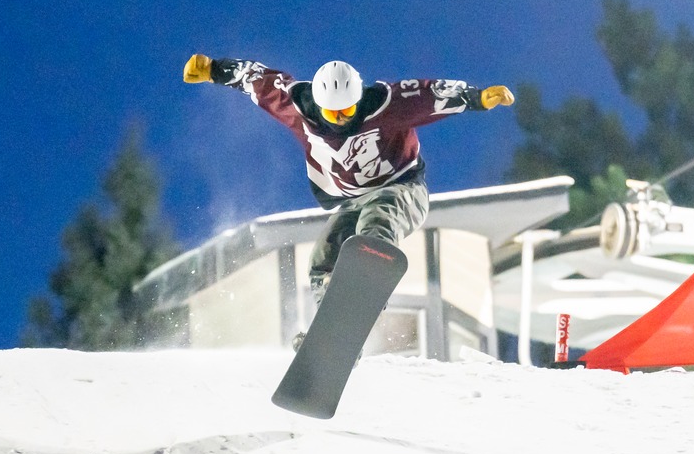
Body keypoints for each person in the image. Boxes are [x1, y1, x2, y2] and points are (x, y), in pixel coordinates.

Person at [182, 54, 513, 296]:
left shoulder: (388, 104)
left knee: (378, 217)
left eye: (348, 110)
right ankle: (333, 324)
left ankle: (369, 275)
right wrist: (213, 69)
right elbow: (257, 79)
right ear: (319, 104)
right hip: (353, 201)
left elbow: (431, 94)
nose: (341, 118)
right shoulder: (295, 106)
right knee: (325, 254)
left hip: (403, 189)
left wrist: (478, 97)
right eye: (333, 112)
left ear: (359, 99)